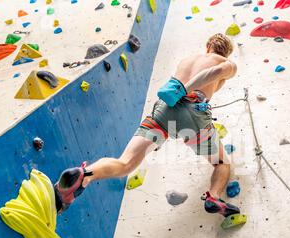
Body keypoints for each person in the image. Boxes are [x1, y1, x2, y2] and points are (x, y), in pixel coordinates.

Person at [54, 33, 240, 218]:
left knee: (125, 164)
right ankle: (213, 197)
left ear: (208, 46)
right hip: (193, 112)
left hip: (164, 109)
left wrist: (179, 89)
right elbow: (215, 72)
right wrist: (186, 89)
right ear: (226, 53)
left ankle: (85, 174)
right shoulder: (226, 63)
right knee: (221, 162)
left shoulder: (188, 59)